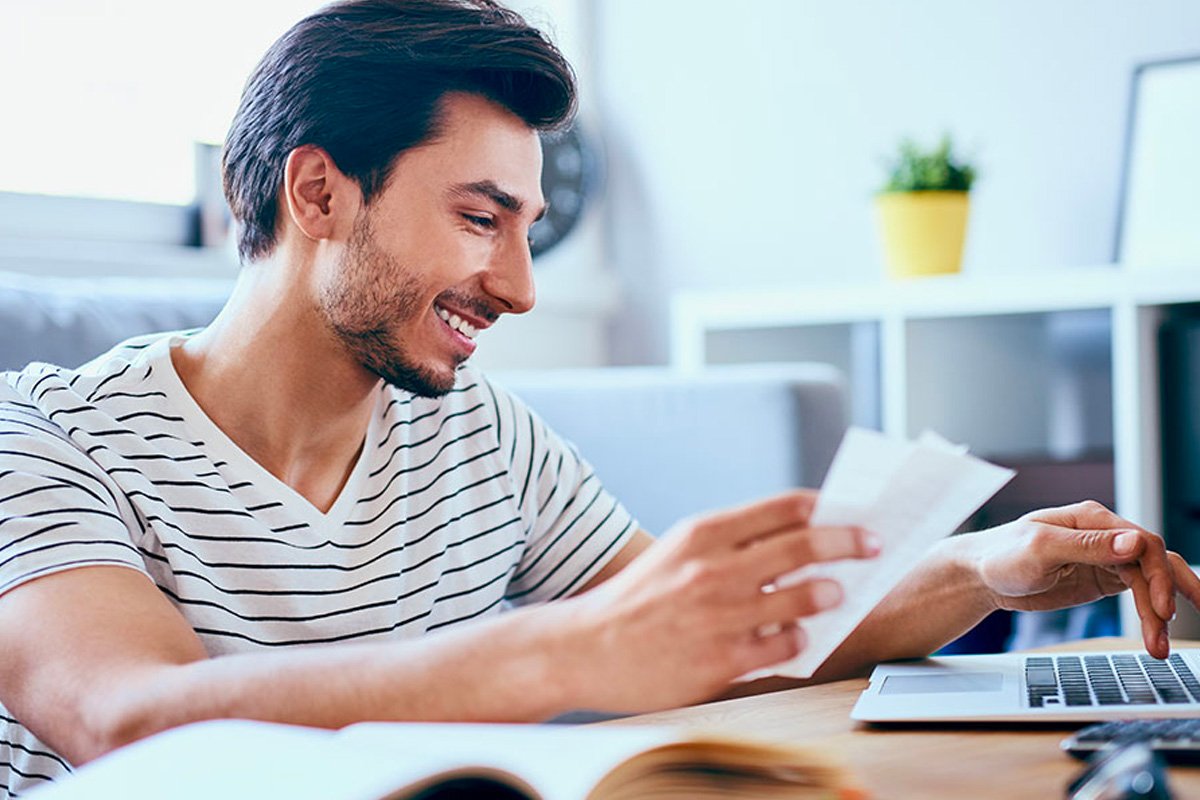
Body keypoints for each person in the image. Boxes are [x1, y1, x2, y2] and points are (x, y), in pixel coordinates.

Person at [0, 0, 1197, 795]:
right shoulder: (42, 435)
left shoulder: (482, 435)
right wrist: (570, 650)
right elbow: (126, 719)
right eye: (479, 218)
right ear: (317, 190)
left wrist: (982, 569)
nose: (516, 286)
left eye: (528, 230)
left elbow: (721, 642)